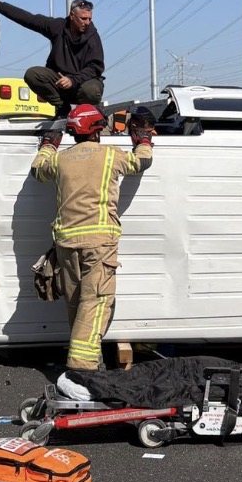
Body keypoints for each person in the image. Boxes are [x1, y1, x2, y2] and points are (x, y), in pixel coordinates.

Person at [30, 105, 153, 370]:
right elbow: (141, 161)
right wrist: (143, 139)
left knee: (77, 305)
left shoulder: (60, 159)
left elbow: (37, 170)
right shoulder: (110, 155)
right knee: (96, 303)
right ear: (97, 130)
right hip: (99, 243)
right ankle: (82, 371)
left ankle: (91, 359)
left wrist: (49, 145)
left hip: (65, 244)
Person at [0, 0, 104, 118]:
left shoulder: (92, 37)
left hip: (82, 83)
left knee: (91, 91)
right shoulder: (58, 27)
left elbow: (95, 67)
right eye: (83, 19)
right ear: (72, 16)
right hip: (60, 82)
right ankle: (62, 107)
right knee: (33, 74)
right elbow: (29, 19)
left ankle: (89, 111)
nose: (87, 22)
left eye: (90, 19)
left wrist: (73, 80)